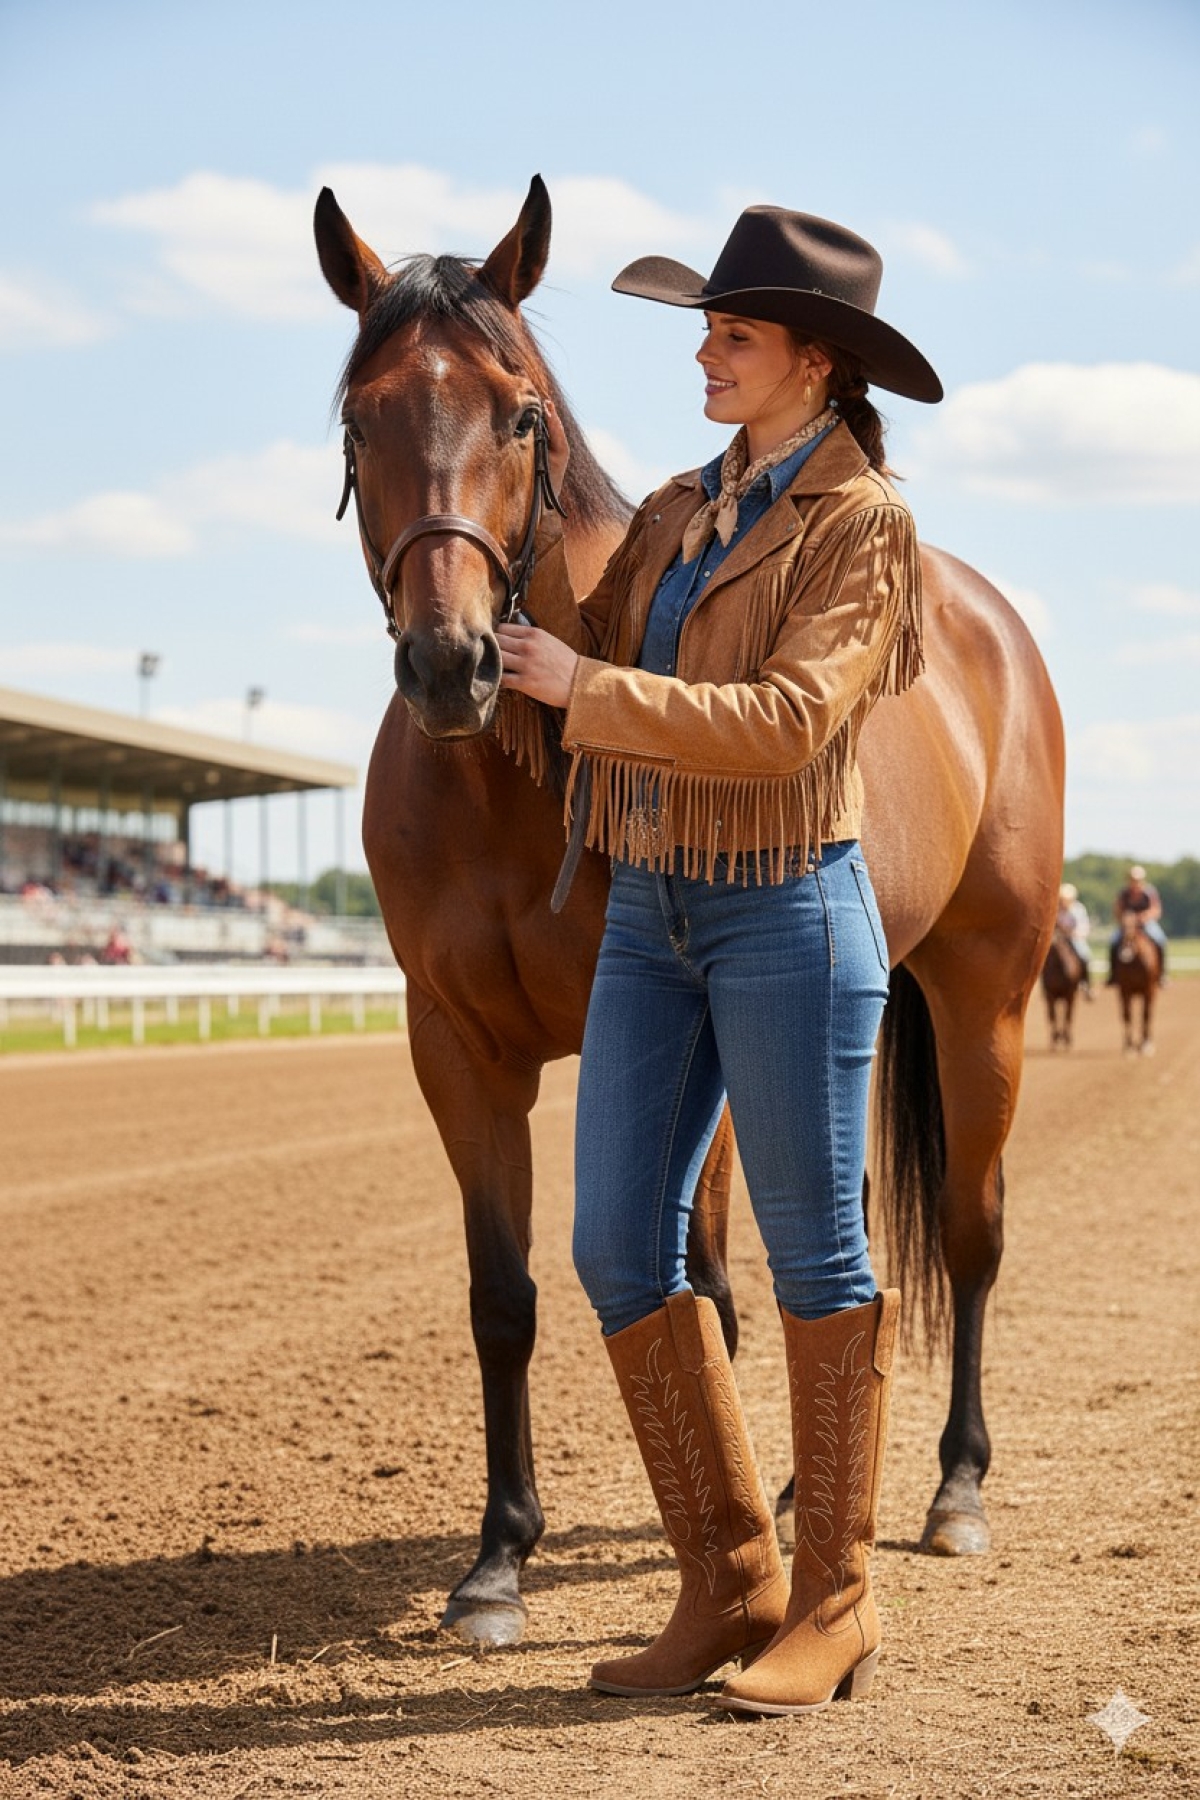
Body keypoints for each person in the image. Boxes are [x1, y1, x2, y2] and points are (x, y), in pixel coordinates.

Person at [498, 206, 941, 1717]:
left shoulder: (862, 523)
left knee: (818, 1258)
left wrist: (590, 686)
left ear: (811, 364)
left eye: (731, 336)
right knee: (621, 1245)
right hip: (651, 916)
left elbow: (789, 722)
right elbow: (577, 632)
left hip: (786, 910)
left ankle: (837, 1602)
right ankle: (728, 1577)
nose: (704, 352)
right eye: (707, 330)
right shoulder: (686, 506)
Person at [1108, 863, 1168, 985]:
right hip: (1127, 926)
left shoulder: (1149, 892)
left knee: (1160, 940)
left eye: (1137, 880)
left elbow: (1156, 910)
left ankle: (1162, 973)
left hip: (1146, 924)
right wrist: (1125, 919)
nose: (1134, 882)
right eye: (1132, 879)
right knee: (1114, 942)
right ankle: (1113, 975)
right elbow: (1117, 910)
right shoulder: (1123, 893)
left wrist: (1144, 917)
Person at [1057, 882, 1093, 997]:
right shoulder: (1056, 910)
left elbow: (1083, 926)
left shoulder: (1078, 909)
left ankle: (1085, 983)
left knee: (1084, 955)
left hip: (1075, 938)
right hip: (1059, 939)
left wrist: (1073, 933)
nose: (1063, 902)